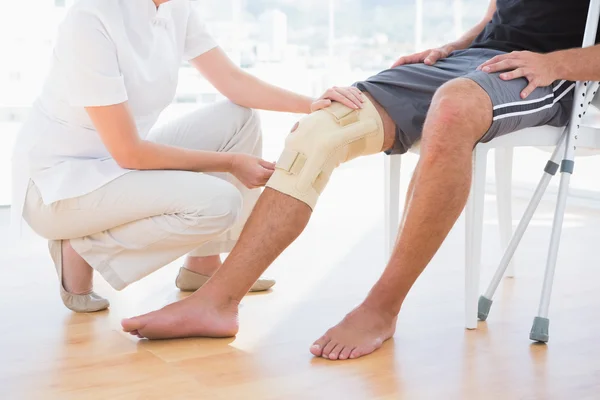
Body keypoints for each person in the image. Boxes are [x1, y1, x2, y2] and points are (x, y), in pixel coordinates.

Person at [121, 0, 600, 359]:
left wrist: (555, 63)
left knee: (454, 108)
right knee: (325, 125)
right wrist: (456, 46)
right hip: (478, 59)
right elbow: (506, 10)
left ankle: (380, 308)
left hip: (555, 72)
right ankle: (218, 302)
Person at [11, 0, 363, 313]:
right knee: (219, 202)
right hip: (57, 186)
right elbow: (130, 152)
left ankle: (204, 266)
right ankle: (82, 244)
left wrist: (312, 104)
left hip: (114, 166)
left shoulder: (175, 8)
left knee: (239, 118)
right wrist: (230, 164)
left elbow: (231, 80)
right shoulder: (90, 19)